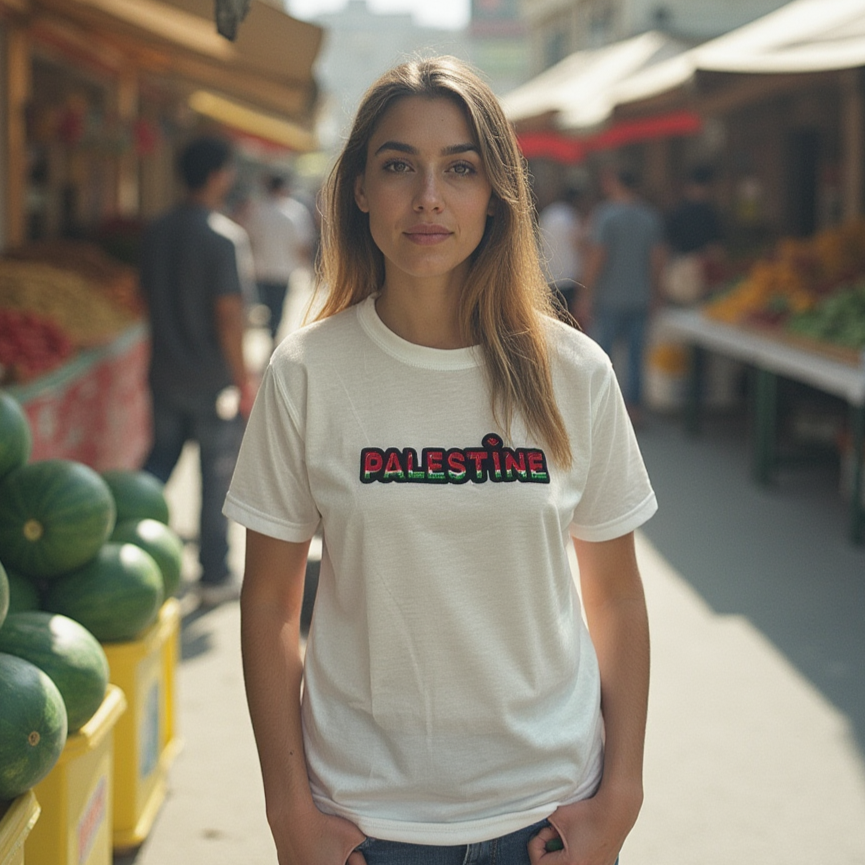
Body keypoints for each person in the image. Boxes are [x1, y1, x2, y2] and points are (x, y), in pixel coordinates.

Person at [224, 56, 656, 865]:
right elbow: (272, 603)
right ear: (358, 188)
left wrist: (622, 793)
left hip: (549, 814)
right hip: (364, 822)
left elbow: (616, 593)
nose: (429, 197)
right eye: (398, 166)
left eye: (460, 167)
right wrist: (287, 812)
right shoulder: (309, 372)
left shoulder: (573, 371)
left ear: (496, 192)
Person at [140, 134, 256, 608]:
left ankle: (127, 540)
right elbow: (229, 317)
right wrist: (244, 380)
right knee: (216, 480)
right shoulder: (223, 237)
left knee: (157, 465)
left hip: (164, 371)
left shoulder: (155, 231)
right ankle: (214, 573)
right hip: (210, 380)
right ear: (216, 174)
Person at [578, 166, 665, 426]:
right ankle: (634, 410)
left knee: (601, 356)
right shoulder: (650, 217)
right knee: (636, 358)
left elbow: (597, 256)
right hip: (640, 297)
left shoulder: (606, 216)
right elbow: (657, 259)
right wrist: (656, 292)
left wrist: (586, 293)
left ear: (615, 182)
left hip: (609, 298)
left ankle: (603, 411)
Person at [244, 173, 315, 345]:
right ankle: (273, 334)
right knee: (279, 306)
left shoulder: (258, 210)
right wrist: (306, 266)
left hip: (262, 268)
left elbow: (250, 239)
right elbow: (302, 243)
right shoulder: (294, 212)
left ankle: (272, 334)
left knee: (268, 305)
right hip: (284, 268)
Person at [662, 165, 724, 306]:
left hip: (680, 267)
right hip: (701, 267)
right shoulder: (710, 214)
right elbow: (716, 249)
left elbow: (666, 245)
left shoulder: (677, 212)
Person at [538, 184, 585, 317]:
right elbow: (579, 244)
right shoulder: (570, 217)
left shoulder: (548, 213)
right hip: (568, 279)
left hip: (549, 277)